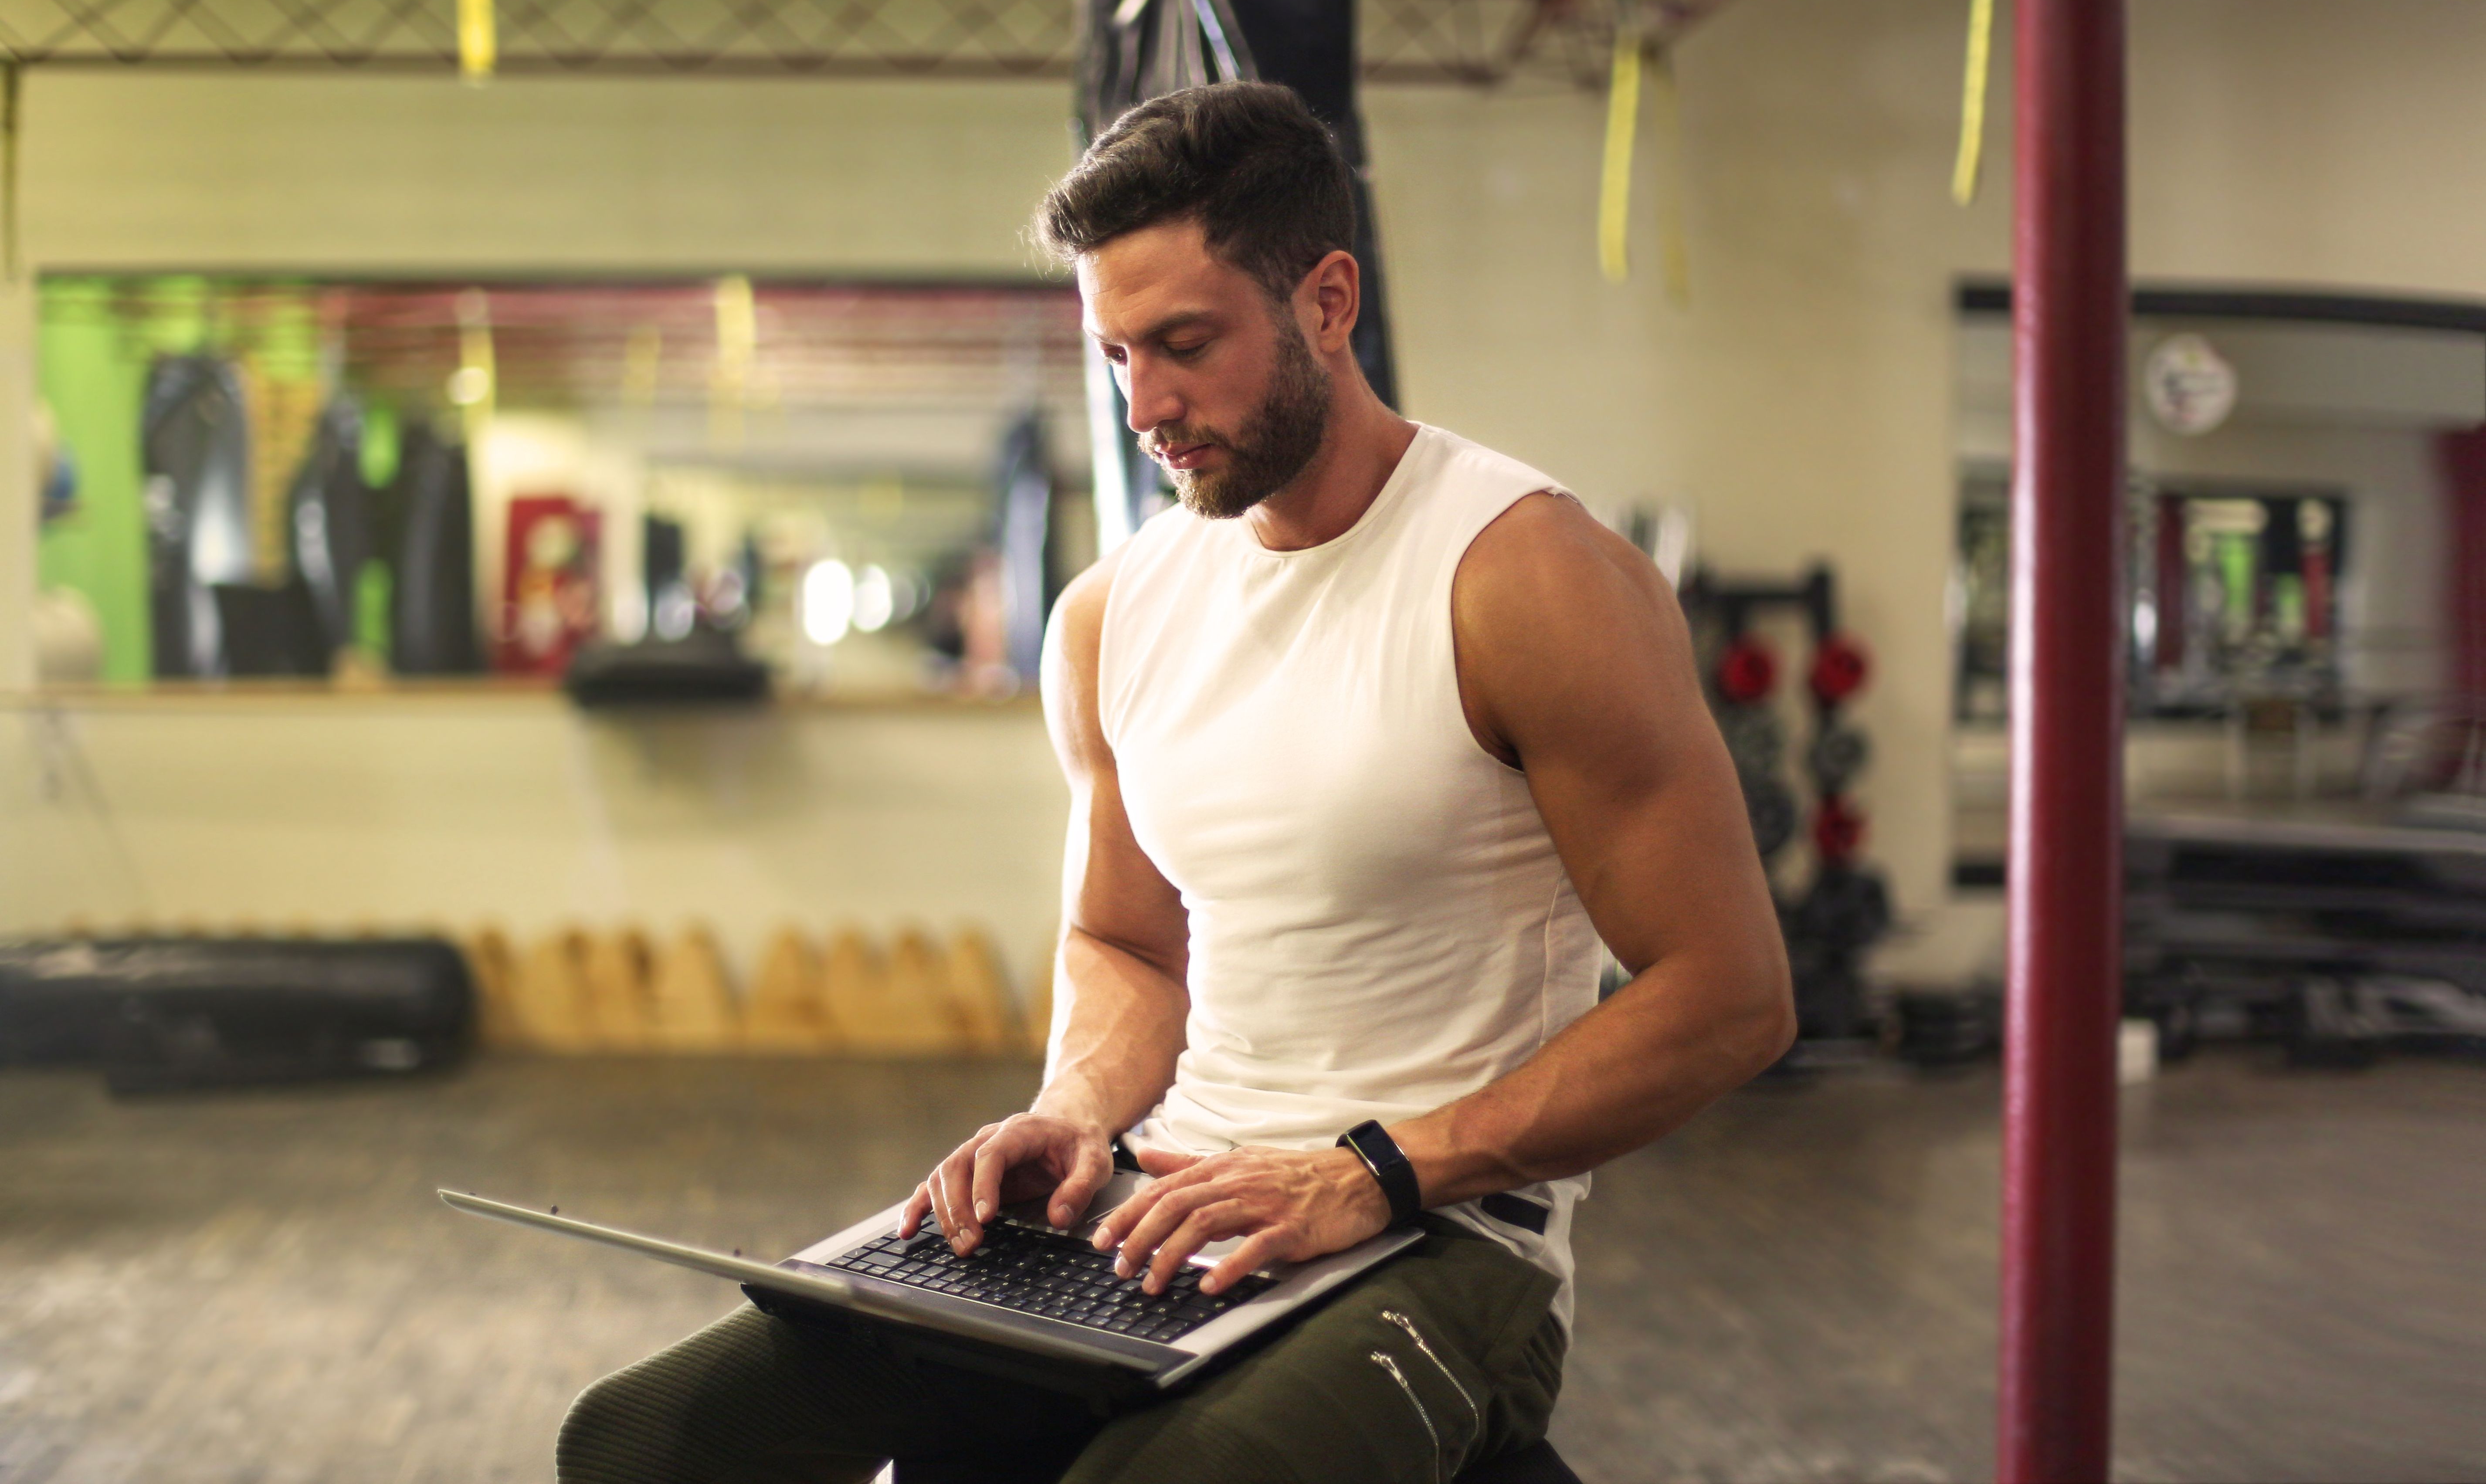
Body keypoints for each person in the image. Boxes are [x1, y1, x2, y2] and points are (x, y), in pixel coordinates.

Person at [556, 80, 1794, 1484]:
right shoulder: (1113, 610)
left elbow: (1729, 995)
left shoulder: (1524, 577)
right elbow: (1125, 942)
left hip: (1437, 1239)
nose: (1145, 404)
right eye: (1115, 354)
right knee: (641, 1442)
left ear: (1327, 301)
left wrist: (1367, 1169)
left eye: (1185, 344)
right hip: (1160, 1204)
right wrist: (1077, 1106)